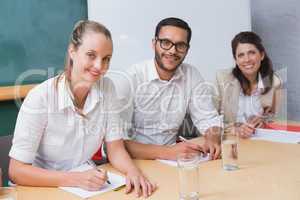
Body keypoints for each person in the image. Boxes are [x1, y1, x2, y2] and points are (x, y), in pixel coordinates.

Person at [8, 20, 155, 198]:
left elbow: (115, 149)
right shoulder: (40, 98)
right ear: (72, 51)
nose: (99, 66)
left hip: (83, 190)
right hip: (40, 191)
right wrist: (75, 179)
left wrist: (133, 171)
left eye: (106, 59)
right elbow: (17, 171)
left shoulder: (107, 87)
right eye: (91, 55)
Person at [120, 17, 222, 160]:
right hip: (135, 162)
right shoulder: (132, 78)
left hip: (172, 161)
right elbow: (117, 143)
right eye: (165, 43)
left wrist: (213, 138)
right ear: (154, 43)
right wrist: (168, 152)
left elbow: (208, 118)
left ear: (187, 49)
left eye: (180, 45)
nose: (173, 51)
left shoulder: (191, 74)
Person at [216, 31, 281, 138]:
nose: (247, 59)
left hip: (261, 141)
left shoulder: (273, 81)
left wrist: (264, 122)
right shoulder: (223, 79)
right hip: (232, 142)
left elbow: (277, 119)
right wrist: (235, 130)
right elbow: (209, 118)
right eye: (241, 55)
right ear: (236, 60)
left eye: (252, 53)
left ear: (262, 55)